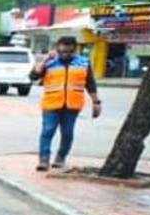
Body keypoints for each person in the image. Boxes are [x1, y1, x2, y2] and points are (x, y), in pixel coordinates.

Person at [29, 36, 99, 172]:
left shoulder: (83, 63)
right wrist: (44, 60)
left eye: (69, 51)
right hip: (51, 104)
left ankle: (60, 158)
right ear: (57, 49)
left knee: (67, 133)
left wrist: (96, 102)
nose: (65, 54)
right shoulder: (50, 63)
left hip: (72, 105)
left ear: (74, 49)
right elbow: (33, 76)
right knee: (47, 131)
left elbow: (90, 84)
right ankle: (44, 160)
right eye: (62, 51)